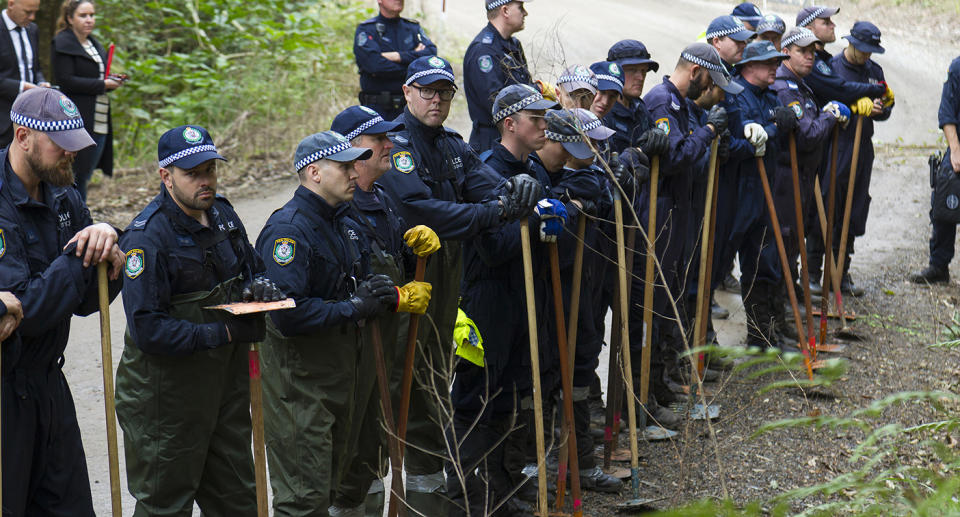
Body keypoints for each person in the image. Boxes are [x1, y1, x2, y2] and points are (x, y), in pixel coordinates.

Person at [377, 55, 540, 515]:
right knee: (395, 386)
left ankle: (440, 500)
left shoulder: (452, 145)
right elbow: (420, 209)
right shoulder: (397, 145)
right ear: (407, 93)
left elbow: (487, 186)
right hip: (405, 278)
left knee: (433, 386)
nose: (436, 100)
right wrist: (493, 213)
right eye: (427, 90)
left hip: (448, 280)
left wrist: (517, 190)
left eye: (444, 92)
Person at [256, 131, 426, 516]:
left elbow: (356, 281)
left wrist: (379, 291)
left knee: (331, 488)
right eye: (345, 165)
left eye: (355, 164)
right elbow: (287, 314)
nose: (355, 172)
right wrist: (354, 307)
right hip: (300, 387)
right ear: (314, 172)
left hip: (340, 379)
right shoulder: (289, 230)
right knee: (304, 500)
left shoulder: (346, 221)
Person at [115, 125, 282, 516]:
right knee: (165, 504)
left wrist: (260, 289)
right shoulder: (146, 239)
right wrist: (223, 330)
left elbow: (253, 268)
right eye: (193, 174)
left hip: (225, 389)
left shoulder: (222, 213)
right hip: (165, 400)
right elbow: (148, 330)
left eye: (210, 170)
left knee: (238, 499)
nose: (205, 181)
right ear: (166, 176)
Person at [0, 86, 122, 516]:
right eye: (60, 145)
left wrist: (109, 257)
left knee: (70, 507)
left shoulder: (63, 193)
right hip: (5, 390)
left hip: (50, 382)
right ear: (22, 137)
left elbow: (87, 300)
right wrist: (78, 256)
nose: (71, 155)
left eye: (76, 145)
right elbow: (25, 310)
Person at [452, 83, 560, 515]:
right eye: (535, 119)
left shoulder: (534, 168)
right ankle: (466, 495)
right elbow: (493, 248)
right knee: (476, 400)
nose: (543, 126)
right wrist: (534, 224)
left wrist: (553, 221)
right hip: (486, 304)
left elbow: (544, 226)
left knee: (510, 398)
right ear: (510, 123)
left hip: (524, 298)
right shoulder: (484, 171)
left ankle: (502, 489)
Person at [328, 105, 438, 517]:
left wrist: (412, 256)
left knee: (375, 439)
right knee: (352, 451)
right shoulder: (340, 207)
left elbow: (394, 262)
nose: (390, 144)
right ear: (353, 151)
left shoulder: (383, 196)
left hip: (386, 351)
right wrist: (393, 296)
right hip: (353, 354)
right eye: (379, 141)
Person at [636, 42, 734, 417]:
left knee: (670, 295)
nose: (711, 88)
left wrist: (710, 140)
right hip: (660, 210)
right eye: (710, 78)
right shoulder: (663, 102)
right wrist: (708, 131)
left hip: (680, 208)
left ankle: (659, 385)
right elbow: (675, 157)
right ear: (696, 71)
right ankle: (645, 393)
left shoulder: (683, 105)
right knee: (656, 299)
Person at [769, 27, 848, 342]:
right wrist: (829, 118)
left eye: (813, 52)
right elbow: (807, 136)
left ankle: (781, 319)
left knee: (791, 247)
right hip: (786, 178)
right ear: (787, 51)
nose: (810, 56)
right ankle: (772, 326)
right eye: (803, 51)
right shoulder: (785, 88)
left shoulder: (801, 86)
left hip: (801, 178)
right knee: (782, 249)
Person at [725, 41, 798, 349]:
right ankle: (700, 344)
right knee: (717, 265)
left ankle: (761, 335)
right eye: (769, 62)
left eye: (777, 61)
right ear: (748, 66)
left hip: (766, 189)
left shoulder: (771, 96)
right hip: (736, 192)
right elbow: (737, 143)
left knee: (763, 261)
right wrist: (769, 129)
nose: (775, 67)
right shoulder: (736, 95)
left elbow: (775, 140)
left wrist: (782, 125)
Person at [824, 21, 892, 296]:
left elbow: (886, 106)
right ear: (850, 43)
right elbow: (823, 103)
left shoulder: (875, 71)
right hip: (836, 144)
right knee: (830, 205)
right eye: (862, 49)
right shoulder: (832, 68)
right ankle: (818, 272)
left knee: (855, 207)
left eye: (870, 51)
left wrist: (882, 107)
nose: (866, 55)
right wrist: (852, 108)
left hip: (862, 146)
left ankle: (842, 272)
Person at [51, 0, 122, 201]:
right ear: (69, 19)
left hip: (99, 117)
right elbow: (66, 81)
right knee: (74, 175)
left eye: (92, 15)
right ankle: (76, 219)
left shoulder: (93, 43)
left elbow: (96, 76)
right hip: (78, 117)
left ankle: (80, 215)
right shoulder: (62, 42)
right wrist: (103, 84)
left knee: (86, 174)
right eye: (83, 15)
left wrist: (111, 80)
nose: (89, 20)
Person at [911, 57, 960, 284]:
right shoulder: (958, 67)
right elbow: (947, 111)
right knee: (944, 204)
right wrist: (955, 149)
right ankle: (939, 266)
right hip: (959, 146)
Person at [464, 0, 534, 152]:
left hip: (515, 139)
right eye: (520, 7)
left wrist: (537, 90)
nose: (525, 13)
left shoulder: (513, 45)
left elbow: (526, 86)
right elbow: (496, 103)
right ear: (505, 10)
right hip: (492, 143)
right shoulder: (483, 51)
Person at [354, 0, 437, 120]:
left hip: (410, 108)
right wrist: (414, 63)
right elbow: (375, 65)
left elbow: (431, 54)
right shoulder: (367, 30)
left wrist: (396, 56)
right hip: (377, 110)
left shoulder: (412, 28)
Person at [601, 39, 666, 156]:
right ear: (615, 72)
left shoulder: (640, 108)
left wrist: (658, 137)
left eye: (643, 71)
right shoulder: (603, 111)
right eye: (632, 70)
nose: (640, 77)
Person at [0, 0, 49, 147]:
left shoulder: (32, 30)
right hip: (3, 119)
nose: (32, 17)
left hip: (29, 118)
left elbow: (35, 68)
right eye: (28, 12)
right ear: (11, 4)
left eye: (35, 12)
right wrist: (23, 87)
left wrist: (41, 82)